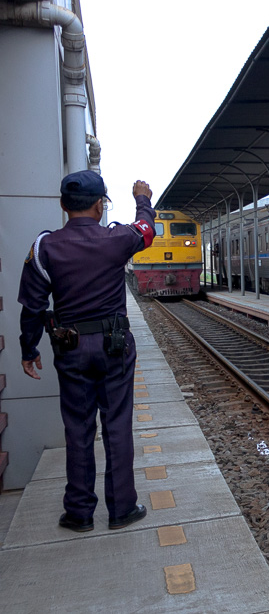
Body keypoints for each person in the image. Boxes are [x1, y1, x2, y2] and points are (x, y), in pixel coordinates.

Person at [18, 171, 156, 532]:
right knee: (117, 424)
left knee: (78, 429)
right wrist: (142, 197)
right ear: (100, 205)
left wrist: (28, 348)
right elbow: (147, 229)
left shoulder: (44, 247)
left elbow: (32, 307)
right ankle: (122, 508)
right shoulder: (117, 239)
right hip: (114, 347)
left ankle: (79, 512)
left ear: (63, 206)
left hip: (71, 348)